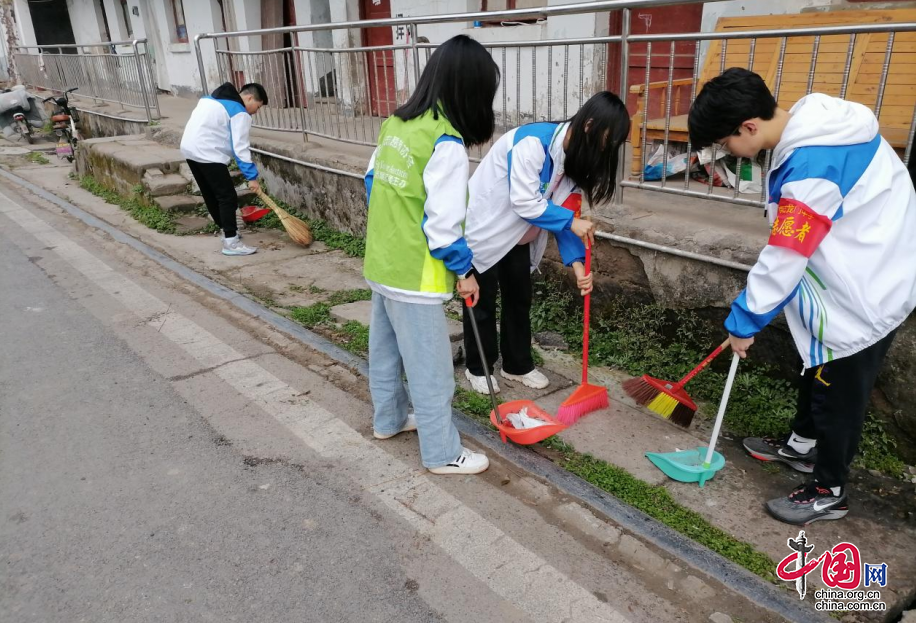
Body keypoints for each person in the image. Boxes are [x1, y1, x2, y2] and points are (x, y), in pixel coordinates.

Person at [688, 68, 916, 525]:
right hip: (856, 266)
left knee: (839, 392)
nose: (727, 154)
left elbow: (786, 256)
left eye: (724, 143)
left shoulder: (812, 168)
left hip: (867, 287)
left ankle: (829, 490)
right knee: (816, 369)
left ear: (749, 126)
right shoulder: (812, 117)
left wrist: (744, 322)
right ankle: (801, 446)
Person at [363, 35, 499, 475]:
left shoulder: (396, 125)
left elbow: (370, 183)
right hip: (414, 276)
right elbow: (443, 227)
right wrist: (465, 270)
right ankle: (442, 452)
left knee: (385, 351)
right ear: (471, 91)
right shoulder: (446, 143)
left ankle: (388, 419)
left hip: (381, 263)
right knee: (432, 368)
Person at [462, 92, 628, 394]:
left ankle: (517, 365)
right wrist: (572, 222)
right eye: (607, 142)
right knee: (482, 301)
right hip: (486, 229)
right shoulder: (532, 143)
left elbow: (566, 213)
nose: (606, 151)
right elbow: (525, 201)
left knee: (518, 298)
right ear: (589, 126)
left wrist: (578, 265)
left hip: (519, 236)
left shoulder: (573, 158)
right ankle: (479, 367)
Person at [180, 82, 267, 256]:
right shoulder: (239, 111)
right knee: (227, 197)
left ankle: (227, 232)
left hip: (190, 149)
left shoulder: (209, 99)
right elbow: (240, 148)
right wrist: (252, 177)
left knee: (211, 195)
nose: (254, 112)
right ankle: (231, 242)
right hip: (208, 152)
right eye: (257, 107)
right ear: (249, 97)